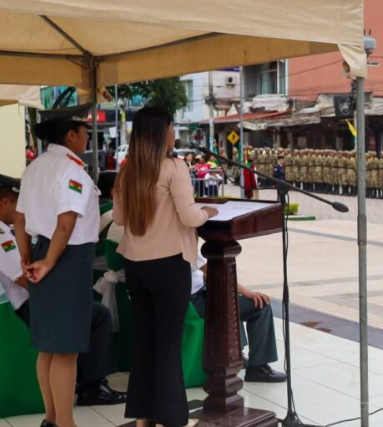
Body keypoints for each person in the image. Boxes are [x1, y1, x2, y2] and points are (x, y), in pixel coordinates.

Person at [113, 107, 218, 427]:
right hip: (168, 266)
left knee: (144, 342)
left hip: (135, 266)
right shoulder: (174, 167)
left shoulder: (127, 170)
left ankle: (144, 418)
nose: (175, 133)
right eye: (172, 127)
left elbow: (118, 219)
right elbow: (189, 217)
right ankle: (171, 419)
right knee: (168, 345)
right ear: (163, 133)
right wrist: (207, 213)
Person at [0, 175, 125, 407]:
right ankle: (93, 386)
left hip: (35, 299)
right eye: (17, 203)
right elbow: (22, 279)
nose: (22, 211)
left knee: (89, 310)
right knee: (97, 316)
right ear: (4, 203)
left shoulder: (8, 229)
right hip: (27, 305)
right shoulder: (2, 235)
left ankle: (83, 383)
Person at [15, 109, 100, 427]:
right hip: (66, 259)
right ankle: (66, 423)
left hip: (40, 253)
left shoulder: (34, 168)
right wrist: (49, 262)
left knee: (48, 347)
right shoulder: (71, 170)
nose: (87, 137)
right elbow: (66, 224)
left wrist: (27, 258)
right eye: (84, 130)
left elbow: (20, 220)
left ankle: (51, 418)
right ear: (71, 135)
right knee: (66, 349)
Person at [189, 253, 286, 382]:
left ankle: (236, 354)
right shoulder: (185, 240)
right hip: (195, 300)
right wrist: (247, 292)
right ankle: (257, 368)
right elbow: (212, 271)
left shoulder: (179, 239)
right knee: (260, 306)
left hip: (198, 292)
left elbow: (205, 273)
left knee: (229, 297)